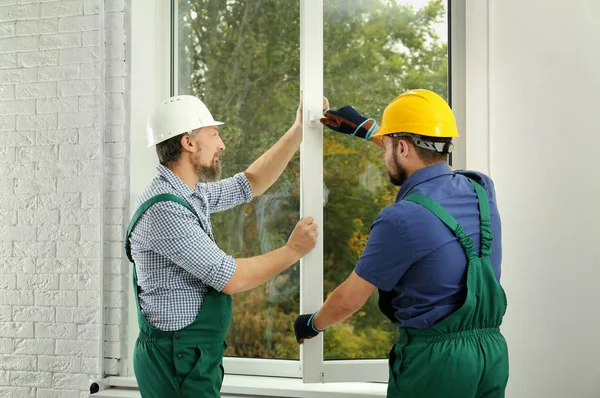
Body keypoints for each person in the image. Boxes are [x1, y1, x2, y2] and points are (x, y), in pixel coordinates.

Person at [293, 89, 509, 398]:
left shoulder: (401, 219)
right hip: (492, 356)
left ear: (403, 148)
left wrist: (311, 325)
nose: (384, 155)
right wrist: (369, 130)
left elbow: (349, 300)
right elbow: (426, 156)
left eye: (389, 146)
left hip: (436, 365)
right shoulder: (481, 187)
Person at [125, 94, 327, 397]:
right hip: (175, 361)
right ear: (188, 143)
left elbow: (251, 183)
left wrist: (298, 130)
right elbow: (230, 277)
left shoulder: (190, 195)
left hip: (190, 356)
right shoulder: (165, 209)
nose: (222, 145)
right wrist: (292, 251)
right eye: (214, 135)